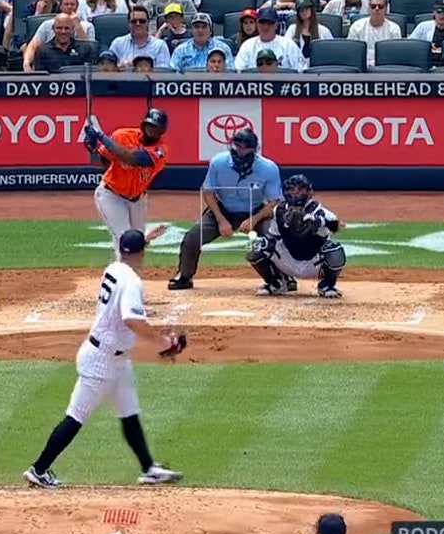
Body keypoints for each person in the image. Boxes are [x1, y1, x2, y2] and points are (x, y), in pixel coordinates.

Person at [22, 228, 185, 490]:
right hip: (101, 361)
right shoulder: (132, 282)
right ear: (143, 253)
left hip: (114, 359)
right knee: (75, 416)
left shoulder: (114, 268)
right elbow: (132, 319)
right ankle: (39, 469)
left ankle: (148, 468)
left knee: (129, 411)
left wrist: (145, 238)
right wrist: (163, 342)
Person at [168, 128, 283, 291]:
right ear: (232, 146)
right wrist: (221, 220)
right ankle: (184, 275)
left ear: (255, 149)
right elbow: (208, 192)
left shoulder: (268, 168)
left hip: (256, 211)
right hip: (223, 210)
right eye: (238, 146)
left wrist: (254, 219)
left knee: (274, 237)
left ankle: (282, 276)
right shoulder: (218, 162)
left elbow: (274, 202)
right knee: (193, 236)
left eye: (246, 147)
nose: (242, 151)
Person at [85, 108, 172, 260]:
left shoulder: (160, 151)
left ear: (162, 131)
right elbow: (99, 162)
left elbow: (131, 158)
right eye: (150, 125)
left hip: (137, 200)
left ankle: (133, 274)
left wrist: (100, 136)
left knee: (138, 242)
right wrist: (92, 147)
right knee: (123, 238)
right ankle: (121, 279)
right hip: (111, 195)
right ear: (143, 125)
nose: (152, 130)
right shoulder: (122, 136)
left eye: (156, 128)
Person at [247, 174, 348, 298]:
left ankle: (327, 285)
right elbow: (273, 236)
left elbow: (338, 225)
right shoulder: (279, 210)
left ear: (309, 192)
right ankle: (277, 283)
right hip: (288, 260)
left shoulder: (318, 210)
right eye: (292, 190)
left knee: (335, 250)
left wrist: (318, 222)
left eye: (300, 190)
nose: (296, 194)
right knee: (257, 245)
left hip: (313, 262)